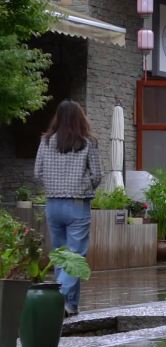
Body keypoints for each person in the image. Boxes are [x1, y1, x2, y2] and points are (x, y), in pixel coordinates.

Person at [35, 100, 102, 317]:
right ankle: (58, 296)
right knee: (75, 256)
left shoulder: (46, 141)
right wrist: (85, 186)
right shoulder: (88, 142)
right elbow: (97, 175)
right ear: (80, 118)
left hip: (53, 204)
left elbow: (38, 173)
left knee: (61, 255)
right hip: (77, 204)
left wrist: (53, 185)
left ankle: (70, 306)